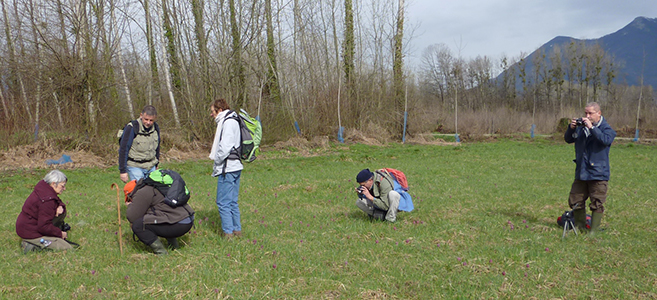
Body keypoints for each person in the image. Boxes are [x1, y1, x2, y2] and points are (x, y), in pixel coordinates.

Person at [564, 102, 616, 234]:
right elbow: (568, 139)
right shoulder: (581, 127)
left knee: (597, 201)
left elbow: (605, 140)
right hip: (582, 170)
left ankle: (593, 230)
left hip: (598, 172)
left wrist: (592, 128)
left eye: (590, 113)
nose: (587, 116)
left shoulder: (607, 129)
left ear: (599, 113)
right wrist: (571, 128)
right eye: (586, 113)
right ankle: (580, 226)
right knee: (575, 199)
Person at [124, 179, 195, 255]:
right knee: (161, 218)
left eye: (129, 199)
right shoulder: (155, 186)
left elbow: (132, 217)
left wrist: (131, 205)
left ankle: (161, 253)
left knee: (138, 225)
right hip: (187, 219)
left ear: (130, 194)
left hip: (179, 223)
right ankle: (174, 247)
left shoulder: (142, 192)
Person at [209, 98, 243, 239]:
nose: (211, 115)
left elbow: (225, 147)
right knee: (232, 202)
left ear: (220, 110)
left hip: (228, 168)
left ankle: (228, 234)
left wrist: (217, 159)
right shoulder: (233, 120)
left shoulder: (228, 122)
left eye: (213, 112)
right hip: (235, 167)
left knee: (223, 202)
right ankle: (237, 231)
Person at [16, 170, 73, 253]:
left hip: (26, 226)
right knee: (66, 247)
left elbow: (56, 199)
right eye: (62, 186)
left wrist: (59, 205)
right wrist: (60, 234)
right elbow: (43, 227)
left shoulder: (43, 188)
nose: (64, 189)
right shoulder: (47, 201)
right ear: (53, 184)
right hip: (30, 232)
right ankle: (30, 244)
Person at [118, 105, 161, 183]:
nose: (148, 122)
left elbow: (157, 147)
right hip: (135, 166)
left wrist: (156, 164)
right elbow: (123, 149)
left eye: (151, 120)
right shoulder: (131, 128)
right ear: (141, 115)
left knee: (153, 192)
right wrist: (123, 171)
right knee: (141, 191)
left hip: (151, 165)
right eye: (146, 119)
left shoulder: (156, 128)